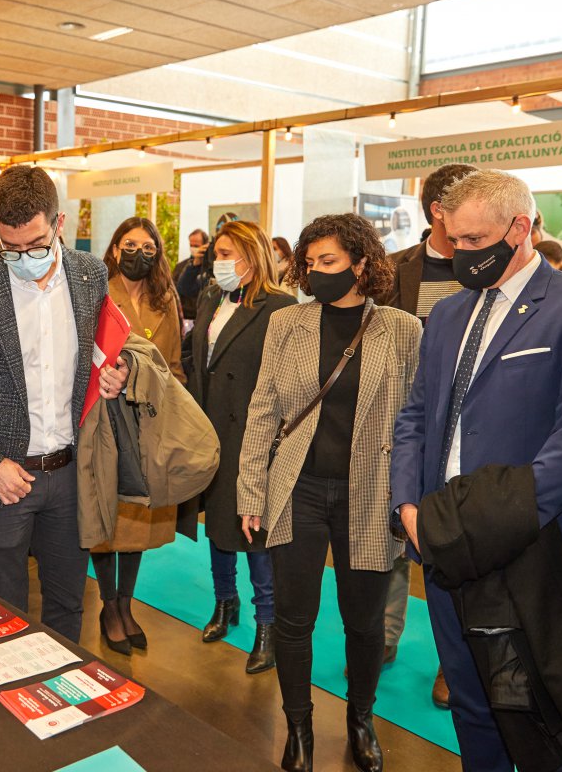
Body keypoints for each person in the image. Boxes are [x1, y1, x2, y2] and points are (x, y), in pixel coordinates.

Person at [391, 170, 562, 772]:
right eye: (453, 243)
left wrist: (485, 527)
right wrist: (408, 509)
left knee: (536, 717)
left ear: (520, 228)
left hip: (530, 546)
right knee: (471, 705)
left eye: (474, 242)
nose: (460, 255)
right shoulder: (446, 317)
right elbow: (415, 414)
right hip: (440, 538)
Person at [0, 165, 128, 644]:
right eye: (9, 248)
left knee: (67, 605)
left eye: (35, 245)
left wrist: (115, 375)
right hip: (1, 481)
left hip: (70, 473)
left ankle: (61, 697)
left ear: (59, 224)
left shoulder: (90, 273)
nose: (24, 257)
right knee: (3, 612)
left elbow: (103, 352)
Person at [239, 214, 420, 772]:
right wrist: (250, 490)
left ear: (362, 264)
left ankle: (360, 718)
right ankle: (298, 727)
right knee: (294, 619)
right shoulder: (287, 325)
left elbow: (416, 421)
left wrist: (412, 497)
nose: (314, 273)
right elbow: (263, 410)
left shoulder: (401, 329)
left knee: (364, 621)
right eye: (310, 262)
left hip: (370, 492)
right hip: (297, 488)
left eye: (329, 262)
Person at [382, 161, 476, 707]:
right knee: (395, 534)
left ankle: (452, 661)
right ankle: (384, 637)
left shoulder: (489, 268)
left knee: (459, 548)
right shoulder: (396, 269)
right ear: (437, 210)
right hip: (406, 427)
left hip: (467, 435)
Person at [184, 220, 293, 674]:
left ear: (250, 257)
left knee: (254, 531)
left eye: (226, 252)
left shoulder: (280, 307)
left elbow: (285, 380)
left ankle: (267, 624)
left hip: (253, 433)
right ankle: (224, 603)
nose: (217, 260)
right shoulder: (211, 295)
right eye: (217, 253)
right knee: (219, 525)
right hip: (211, 429)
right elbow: (197, 356)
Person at [90, 216, 185, 655]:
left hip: (149, 421)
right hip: (104, 420)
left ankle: (126, 605)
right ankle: (107, 606)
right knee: (106, 514)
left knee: (137, 520)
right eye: (131, 244)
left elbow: (176, 365)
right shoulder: (95, 293)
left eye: (149, 247)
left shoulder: (167, 300)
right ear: (114, 248)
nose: (139, 253)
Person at [173, 228, 211, 323]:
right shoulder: (181, 266)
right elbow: (178, 289)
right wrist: (194, 265)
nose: (193, 248)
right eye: (191, 245)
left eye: (196, 245)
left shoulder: (211, 267)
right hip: (184, 316)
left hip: (204, 317)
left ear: (205, 245)